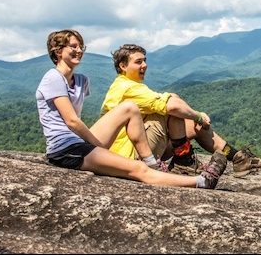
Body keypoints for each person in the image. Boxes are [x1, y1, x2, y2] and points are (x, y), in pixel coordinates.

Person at [35, 29, 226, 189]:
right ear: (58, 51)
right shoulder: (53, 77)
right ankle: (201, 182)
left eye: (81, 46)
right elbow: (72, 121)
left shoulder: (81, 81)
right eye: (73, 46)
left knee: (129, 108)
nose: (79, 51)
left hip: (79, 142)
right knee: (138, 170)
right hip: (65, 149)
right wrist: (96, 146)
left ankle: (151, 161)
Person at [100, 43, 261, 177]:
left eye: (145, 60)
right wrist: (198, 115)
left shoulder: (128, 86)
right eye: (138, 62)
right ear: (123, 66)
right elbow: (173, 107)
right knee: (175, 108)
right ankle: (184, 161)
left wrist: (196, 119)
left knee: (193, 124)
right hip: (130, 156)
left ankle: (237, 158)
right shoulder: (128, 87)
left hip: (137, 149)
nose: (144, 65)